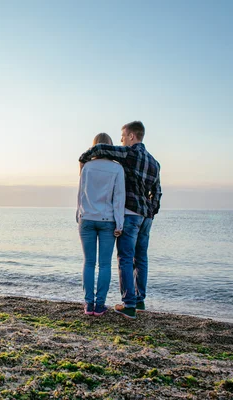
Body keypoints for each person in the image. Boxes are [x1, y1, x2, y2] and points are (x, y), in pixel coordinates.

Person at [79, 121, 161, 319]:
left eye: (123, 136)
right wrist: (150, 212)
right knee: (140, 258)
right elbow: (157, 193)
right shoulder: (154, 162)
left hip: (130, 214)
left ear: (132, 136)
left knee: (124, 258)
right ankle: (139, 299)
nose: (122, 140)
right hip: (145, 217)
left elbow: (102, 149)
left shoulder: (128, 154)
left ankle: (129, 305)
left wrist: (83, 158)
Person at [77, 133, 125, 317]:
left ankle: (88, 305)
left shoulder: (87, 167)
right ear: (111, 146)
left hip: (87, 219)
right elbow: (119, 198)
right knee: (104, 264)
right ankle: (100, 305)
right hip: (107, 220)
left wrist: (79, 215)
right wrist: (119, 223)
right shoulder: (117, 169)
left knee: (89, 263)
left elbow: (81, 194)